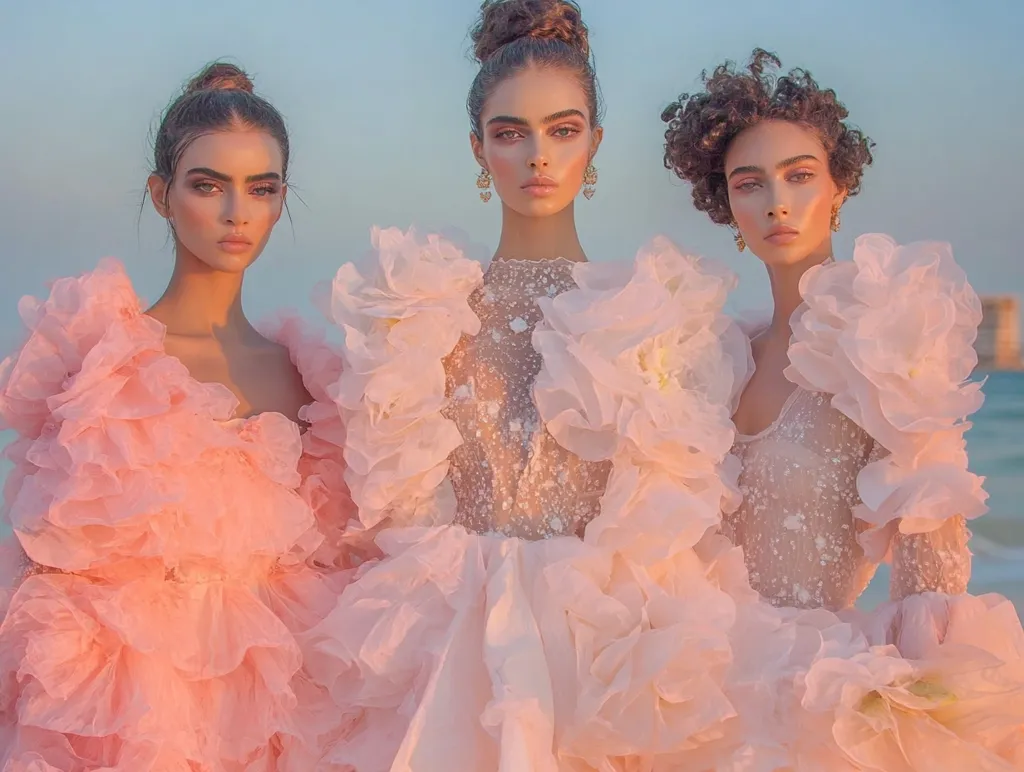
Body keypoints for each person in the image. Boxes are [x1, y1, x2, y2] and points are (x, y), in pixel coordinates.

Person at [299, 2, 787, 769]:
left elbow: (672, 514)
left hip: (602, 650)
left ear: (595, 143)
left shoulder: (654, 312)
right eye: (509, 134)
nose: (538, 157)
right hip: (451, 647)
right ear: (477, 148)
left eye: (562, 131)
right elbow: (395, 506)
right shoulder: (422, 309)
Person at [662, 48, 1024, 769]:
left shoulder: (890, 345)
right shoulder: (716, 355)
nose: (777, 202)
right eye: (749, 183)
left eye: (800, 176)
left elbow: (930, 585)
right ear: (725, 207)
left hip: (817, 713)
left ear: (839, 188)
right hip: (698, 697)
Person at [0, 62, 353, 770]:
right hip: (140, 712)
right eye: (207, 185)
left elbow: (333, 559)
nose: (236, 213)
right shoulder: (106, 368)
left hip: (282, 700)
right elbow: (54, 574)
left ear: (282, 200)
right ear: (161, 195)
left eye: (261, 188)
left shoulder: (311, 379)